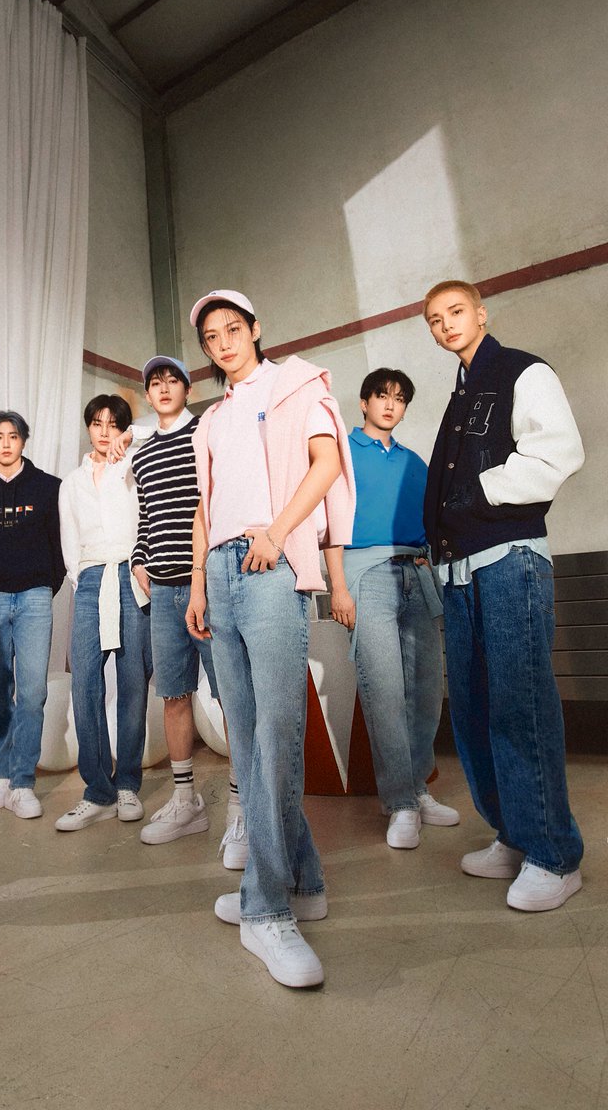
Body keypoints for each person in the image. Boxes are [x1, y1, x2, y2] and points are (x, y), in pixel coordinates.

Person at [186, 289, 355, 989]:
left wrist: (278, 534)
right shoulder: (211, 418)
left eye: (234, 329)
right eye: (212, 336)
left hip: (269, 561)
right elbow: (203, 507)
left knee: (279, 733)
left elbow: (326, 464)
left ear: (256, 329)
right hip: (220, 572)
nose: (224, 342)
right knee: (249, 739)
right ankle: (303, 880)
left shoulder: (295, 383)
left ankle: (265, 907)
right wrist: (197, 587)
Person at [423, 280, 584, 911]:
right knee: (473, 710)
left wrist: (482, 491)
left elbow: (559, 452)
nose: (446, 324)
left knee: (521, 706)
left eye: (456, 312)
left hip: (510, 561)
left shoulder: (522, 370)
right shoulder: (460, 395)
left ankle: (553, 855)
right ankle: (514, 836)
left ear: (481, 314)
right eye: (435, 319)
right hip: (461, 569)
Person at [324, 368, 458, 850]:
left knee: (425, 690)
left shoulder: (414, 462)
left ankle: (418, 789)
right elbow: (329, 525)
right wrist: (338, 588)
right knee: (383, 690)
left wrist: (430, 559)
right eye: (381, 396)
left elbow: (433, 522)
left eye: (399, 399)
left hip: (415, 573)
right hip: (366, 575)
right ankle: (400, 803)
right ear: (364, 402)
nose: (389, 405)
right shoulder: (342, 453)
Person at [127, 355, 241, 859]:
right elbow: (146, 515)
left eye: (173, 380)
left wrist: (204, 578)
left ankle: (240, 803)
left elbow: (214, 503)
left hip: (208, 586)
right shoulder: (142, 453)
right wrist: (138, 558)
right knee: (173, 695)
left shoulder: (205, 434)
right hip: (163, 591)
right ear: (147, 395)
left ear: (188, 390)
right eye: (155, 382)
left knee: (231, 696)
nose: (164, 387)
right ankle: (185, 801)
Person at [0, 411, 65, 820]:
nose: (6, 443)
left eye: (13, 436)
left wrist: (46, 585)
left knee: (33, 693)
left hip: (36, 597)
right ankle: (2, 775)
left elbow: (60, 543)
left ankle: (23, 783)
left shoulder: (49, 488)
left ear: (24, 440)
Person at [56, 395, 153, 831]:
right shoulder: (71, 483)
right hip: (91, 578)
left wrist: (130, 438)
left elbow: (161, 429)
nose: (104, 432)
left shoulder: (134, 465)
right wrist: (82, 581)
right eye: (97, 423)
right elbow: (69, 540)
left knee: (133, 681)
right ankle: (98, 790)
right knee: (85, 684)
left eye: (113, 424)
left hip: (131, 574)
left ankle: (128, 783)